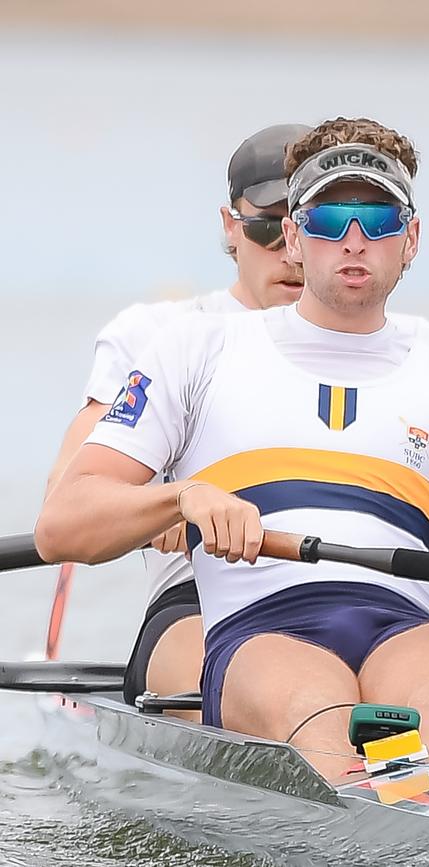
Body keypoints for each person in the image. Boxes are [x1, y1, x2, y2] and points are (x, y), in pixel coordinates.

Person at [35, 116, 429, 782]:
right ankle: (391, 794)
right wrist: (182, 496)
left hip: (407, 623)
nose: (354, 242)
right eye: (329, 220)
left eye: (378, 220)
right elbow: (62, 521)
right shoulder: (193, 351)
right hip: (265, 625)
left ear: (411, 239)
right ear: (295, 236)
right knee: (322, 728)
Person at [44, 123, 310, 705]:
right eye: (269, 227)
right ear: (229, 227)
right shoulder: (154, 335)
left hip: (356, 598)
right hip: (202, 600)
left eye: (313, 226)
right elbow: (66, 500)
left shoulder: (402, 358)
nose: (291, 253)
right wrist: (161, 503)